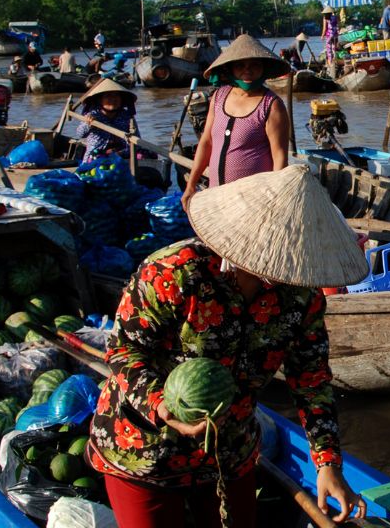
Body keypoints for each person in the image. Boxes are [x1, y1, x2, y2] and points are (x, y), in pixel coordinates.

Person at [88, 165, 368, 527]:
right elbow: (124, 350)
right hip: (145, 448)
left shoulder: (302, 297)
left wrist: (328, 463)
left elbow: (311, 380)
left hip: (229, 451)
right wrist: (162, 406)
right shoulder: (174, 273)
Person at [181, 35, 291, 210]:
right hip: (217, 196)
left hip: (254, 201)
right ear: (230, 69)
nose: (248, 71)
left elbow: (279, 157)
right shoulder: (219, 97)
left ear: (264, 68)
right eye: (240, 66)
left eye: (254, 65)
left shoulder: (271, 105)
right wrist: (191, 184)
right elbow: (206, 143)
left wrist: (275, 201)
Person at [75, 79, 139, 161]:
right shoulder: (93, 115)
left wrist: (122, 152)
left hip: (122, 154)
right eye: (108, 96)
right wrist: (88, 124)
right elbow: (80, 134)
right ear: (100, 100)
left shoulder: (127, 116)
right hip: (96, 155)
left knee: (144, 154)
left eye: (116, 95)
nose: (113, 99)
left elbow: (137, 139)